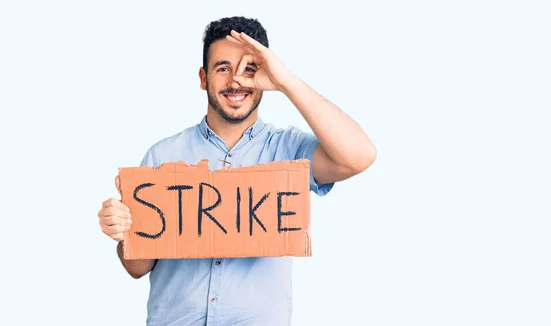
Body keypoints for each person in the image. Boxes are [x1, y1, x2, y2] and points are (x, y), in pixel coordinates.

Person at [97, 16, 376, 326]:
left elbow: (359, 156)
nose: (236, 81)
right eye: (223, 68)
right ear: (203, 78)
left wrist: (286, 82)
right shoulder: (162, 155)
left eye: (249, 69)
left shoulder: (288, 150)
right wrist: (123, 232)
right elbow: (138, 268)